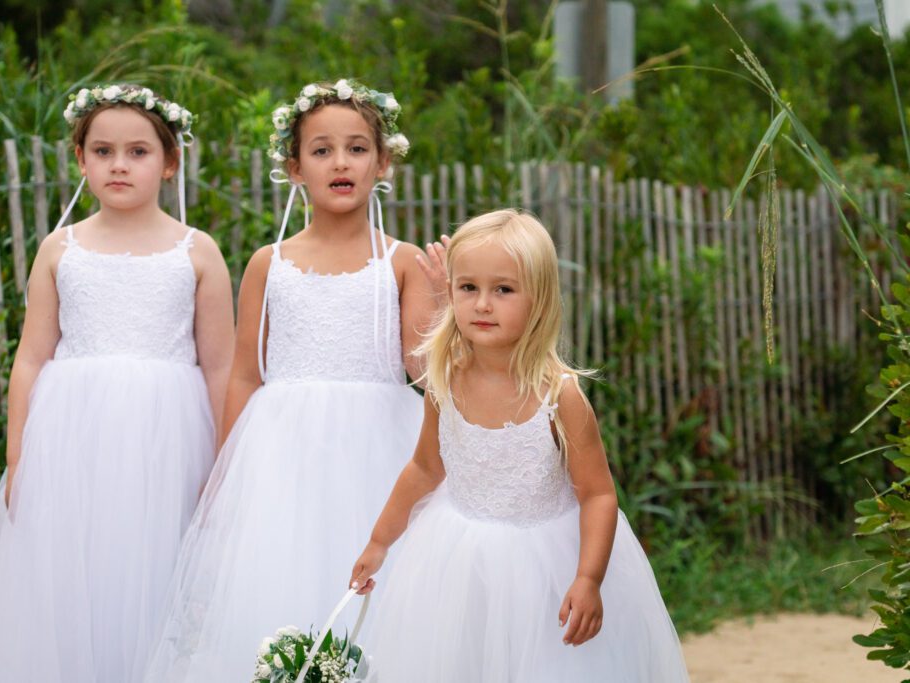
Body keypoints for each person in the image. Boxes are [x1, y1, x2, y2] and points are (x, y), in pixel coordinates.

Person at [144, 79, 447, 681]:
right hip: (280, 456)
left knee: (380, 591)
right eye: (322, 150)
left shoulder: (402, 260)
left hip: (378, 448)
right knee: (276, 578)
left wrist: (440, 304)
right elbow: (245, 375)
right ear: (294, 167)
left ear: (383, 162)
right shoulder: (269, 262)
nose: (341, 162)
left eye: (358, 148)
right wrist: (225, 467)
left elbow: (421, 371)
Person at [0, 84, 234, 682]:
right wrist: (17, 452)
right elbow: (31, 357)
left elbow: (219, 366)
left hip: (167, 443)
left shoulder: (198, 252)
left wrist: (222, 460)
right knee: (72, 575)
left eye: (138, 152)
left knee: (151, 570)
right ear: (80, 159)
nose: (119, 164)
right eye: (103, 151)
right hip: (69, 442)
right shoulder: (61, 248)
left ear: (170, 161)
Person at [350, 209, 691, 682]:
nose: (482, 304)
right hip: (459, 562)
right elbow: (424, 469)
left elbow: (598, 493)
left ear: (540, 299)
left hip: (545, 572)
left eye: (503, 289)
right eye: (468, 287)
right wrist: (380, 540)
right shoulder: (443, 380)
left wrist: (588, 579)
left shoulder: (559, 395)